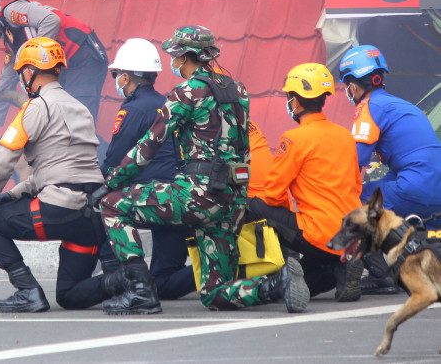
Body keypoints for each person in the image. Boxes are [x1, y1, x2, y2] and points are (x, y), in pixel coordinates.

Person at [97, 25, 309, 314]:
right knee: (214, 294)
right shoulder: (239, 90)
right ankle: (276, 284)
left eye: (175, 55)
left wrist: (112, 181)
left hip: (197, 194)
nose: (172, 61)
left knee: (111, 205)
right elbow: (242, 145)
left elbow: (149, 145)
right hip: (231, 199)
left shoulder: (186, 92)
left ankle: (140, 292)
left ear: (185, 57)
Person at [0, 37, 125, 312]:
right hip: (91, 216)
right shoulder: (81, 109)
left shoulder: (34, 108)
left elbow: (3, 161)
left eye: (22, 73)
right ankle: (126, 280)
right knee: (69, 296)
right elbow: (61, 170)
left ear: (29, 72)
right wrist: (15, 194)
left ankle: (28, 291)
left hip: (57, 209)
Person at [248, 63, 364, 303]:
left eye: (289, 97)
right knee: (308, 275)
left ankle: (279, 266)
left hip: (319, 233)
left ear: (296, 102)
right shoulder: (344, 135)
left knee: (253, 205)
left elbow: (272, 193)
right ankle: (337, 270)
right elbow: (357, 186)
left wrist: (287, 216)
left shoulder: (294, 138)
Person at [339, 44, 441, 294]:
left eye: (346, 85)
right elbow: (404, 166)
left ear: (353, 84)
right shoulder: (401, 106)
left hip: (415, 186)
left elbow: (355, 159)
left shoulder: (369, 106)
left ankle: (379, 273)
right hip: (432, 187)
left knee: (352, 201)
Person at [102, 38, 194, 300]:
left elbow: (114, 161)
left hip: (153, 197)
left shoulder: (133, 109)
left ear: (127, 78)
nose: (116, 79)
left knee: (104, 204)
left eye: (117, 74)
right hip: (179, 195)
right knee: (163, 283)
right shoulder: (165, 103)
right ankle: (227, 270)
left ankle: (124, 279)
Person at [0, 0, 108, 137]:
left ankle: (103, 161)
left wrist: (37, 61)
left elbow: (51, 20)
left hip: (84, 56)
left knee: (77, 125)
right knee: (61, 128)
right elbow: (6, 79)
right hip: (69, 66)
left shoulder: (12, 12)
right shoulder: (8, 36)